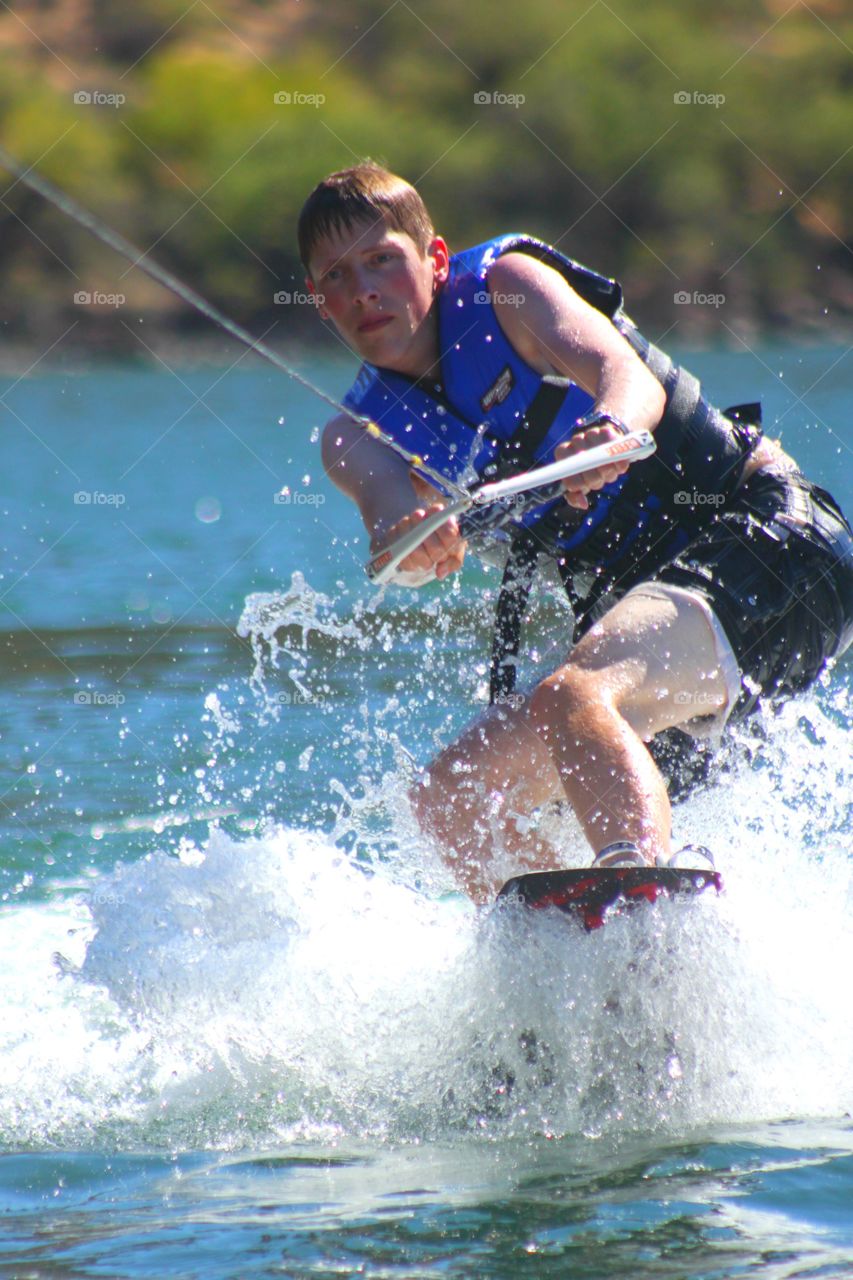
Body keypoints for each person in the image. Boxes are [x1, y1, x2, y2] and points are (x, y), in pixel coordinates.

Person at [297, 161, 853, 903]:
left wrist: (610, 427)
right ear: (317, 304)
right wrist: (411, 538)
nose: (361, 289)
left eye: (380, 261)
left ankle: (636, 909)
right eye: (335, 277)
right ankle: (561, 963)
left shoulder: (509, 290)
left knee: (575, 695)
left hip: (769, 542)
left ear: (432, 261)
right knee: (450, 799)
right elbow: (387, 512)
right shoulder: (354, 436)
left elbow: (625, 376)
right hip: (667, 630)